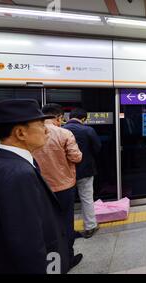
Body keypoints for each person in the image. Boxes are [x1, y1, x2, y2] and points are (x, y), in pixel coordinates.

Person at [0, 99, 70, 273]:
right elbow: (27, 242)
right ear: (20, 132)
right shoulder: (19, 174)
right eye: (41, 124)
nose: (46, 130)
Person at [32, 104, 83, 269]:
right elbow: (76, 157)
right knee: (66, 223)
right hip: (63, 185)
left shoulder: (30, 134)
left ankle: (49, 261)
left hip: (38, 188)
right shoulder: (64, 133)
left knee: (44, 224)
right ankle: (67, 258)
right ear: (58, 117)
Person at [64, 108, 101, 238]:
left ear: (69, 117)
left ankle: (66, 230)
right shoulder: (88, 130)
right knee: (86, 198)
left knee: (66, 201)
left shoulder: (61, 130)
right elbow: (97, 148)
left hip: (64, 172)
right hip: (85, 169)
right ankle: (90, 226)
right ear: (84, 119)